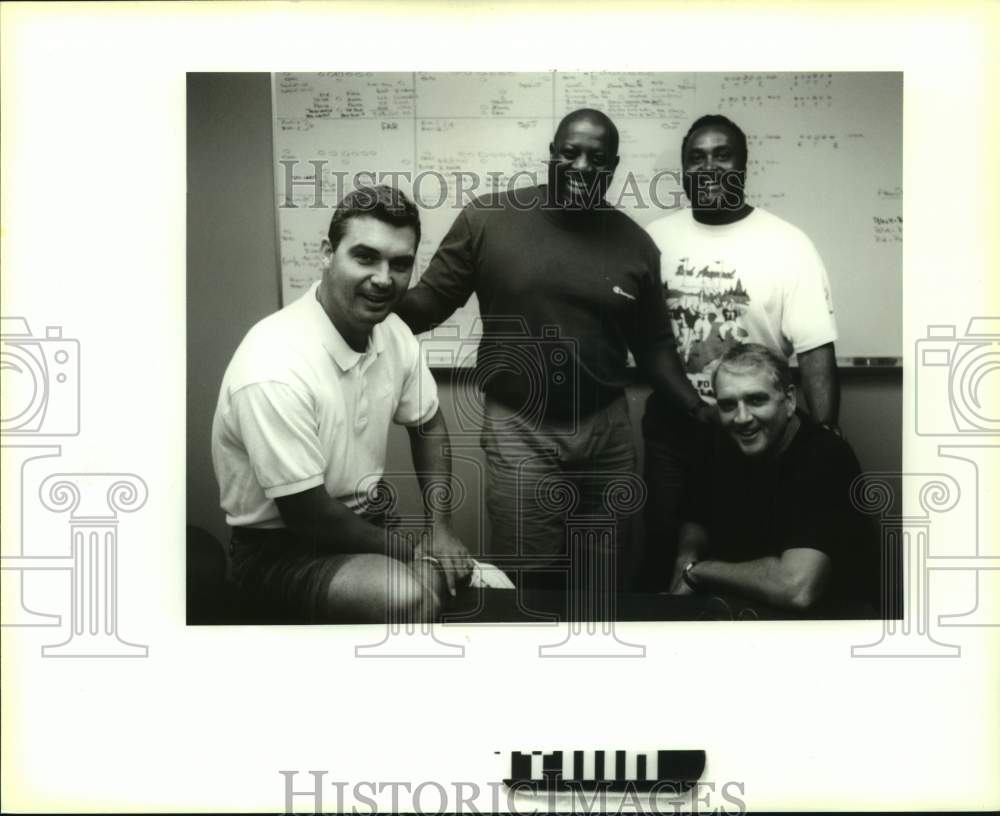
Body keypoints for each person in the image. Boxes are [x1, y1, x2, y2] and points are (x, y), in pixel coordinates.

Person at [395, 109, 703, 596]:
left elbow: (656, 348)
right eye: (570, 153)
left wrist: (699, 411)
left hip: (606, 435)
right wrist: (367, 297)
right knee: (529, 578)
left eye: (596, 158)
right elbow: (427, 304)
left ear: (614, 166)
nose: (582, 166)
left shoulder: (635, 245)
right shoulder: (488, 220)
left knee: (603, 578)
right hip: (520, 428)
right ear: (552, 155)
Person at [211, 186, 473, 623]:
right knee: (412, 597)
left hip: (364, 524)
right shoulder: (274, 364)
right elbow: (309, 516)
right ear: (327, 254)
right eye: (366, 257)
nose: (385, 279)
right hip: (281, 550)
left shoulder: (393, 333)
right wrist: (414, 552)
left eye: (401, 264)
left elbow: (428, 425)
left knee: (445, 585)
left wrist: (440, 529)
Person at [642, 114, 841, 588]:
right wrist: (693, 408)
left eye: (722, 155)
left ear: (744, 165)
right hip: (675, 430)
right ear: (684, 170)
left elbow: (815, 352)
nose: (709, 167)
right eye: (696, 158)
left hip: (752, 431)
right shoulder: (654, 240)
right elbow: (646, 341)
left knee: (751, 553)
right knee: (666, 554)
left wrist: (825, 439)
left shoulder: (788, 244)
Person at [670, 345, 875, 613]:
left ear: (789, 401)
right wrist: (687, 555)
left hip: (829, 624)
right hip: (747, 611)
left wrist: (698, 572)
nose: (741, 418)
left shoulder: (825, 456)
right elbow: (695, 515)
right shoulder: (718, 440)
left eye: (756, 400)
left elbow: (797, 588)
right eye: (728, 405)